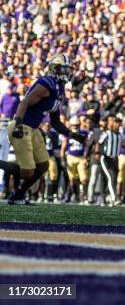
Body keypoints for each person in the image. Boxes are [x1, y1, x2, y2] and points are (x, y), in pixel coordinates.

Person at [2, 55, 86, 205]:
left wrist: (73, 135)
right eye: (64, 69)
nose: (67, 72)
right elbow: (24, 103)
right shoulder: (46, 84)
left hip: (33, 128)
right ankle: (16, 193)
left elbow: (55, 122)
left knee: (43, 165)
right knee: (28, 172)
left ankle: (18, 194)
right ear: (56, 68)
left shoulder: (58, 88)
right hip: (22, 125)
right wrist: (19, 124)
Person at [60, 116, 90, 203]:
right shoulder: (68, 134)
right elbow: (63, 147)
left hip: (81, 157)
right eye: (73, 125)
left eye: (76, 125)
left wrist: (86, 156)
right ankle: (74, 195)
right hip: (70, 157)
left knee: (84, 179)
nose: (75, 127)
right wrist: (62, 159)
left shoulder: (84, 133)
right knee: (72, 178)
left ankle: (83, 195)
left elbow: (87, 145)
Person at [97, 114, 123, 205]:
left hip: (115, 159)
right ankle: (114, 198)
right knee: (110, 177)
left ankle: (106, 197)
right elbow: (99, 143)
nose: (118, 125)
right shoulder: (107, 133)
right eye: (116, 123)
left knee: (113, 179)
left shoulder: (120, 135)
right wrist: (97, 153)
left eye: (119, 123)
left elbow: (123, 145)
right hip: (106, 158)